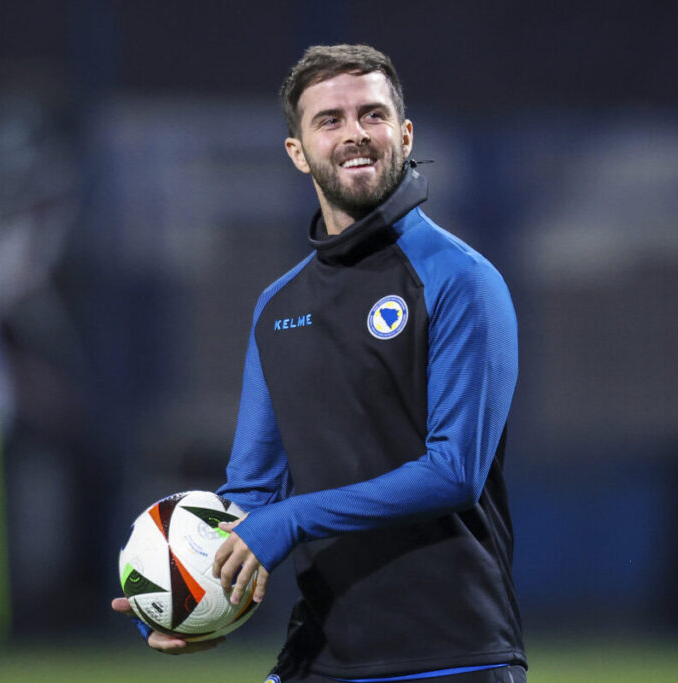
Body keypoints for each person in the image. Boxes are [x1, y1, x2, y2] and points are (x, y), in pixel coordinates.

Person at [113, 44, 527, 682]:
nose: (355, 133)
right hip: (321, 653)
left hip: (452, 654)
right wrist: (179, 597)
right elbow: (250, 495)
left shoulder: (462, 280)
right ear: (298, 152)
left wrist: (292, 517)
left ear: (404, 135)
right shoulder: (278, 307)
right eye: (330, 120)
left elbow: (455, 472)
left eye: (372, 114)